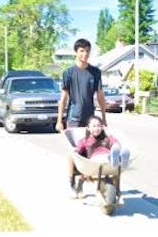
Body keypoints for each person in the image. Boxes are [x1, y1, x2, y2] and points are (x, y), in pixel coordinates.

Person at [57, 38, 109, 197]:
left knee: (91, 149)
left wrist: (104, 118)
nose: (85, 54)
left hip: (90, 119)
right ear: (76, 52)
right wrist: (60, 120)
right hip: (73, 118)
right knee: (75, 151)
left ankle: (85, 181)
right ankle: (72, 182)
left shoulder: (95, 72)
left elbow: (100, 96)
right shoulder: (68, 73)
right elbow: (64, 98)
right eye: (81, 51)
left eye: (87, 51)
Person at [70, 116, 125, 199]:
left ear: (102, 127)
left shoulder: (108, 138)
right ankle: (117, 158)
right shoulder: (84, 140)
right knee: (73, 155)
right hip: (94, 161)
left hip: (108, 159)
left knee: (113, 151)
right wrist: (76, 154)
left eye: (99, 126)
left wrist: (116, 146)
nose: (97, 128)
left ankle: (118, 157)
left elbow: (116, 143)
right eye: (94, 126)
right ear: (88, 128)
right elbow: (78, 152)